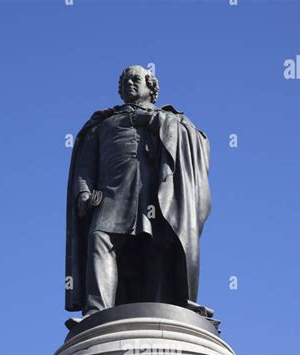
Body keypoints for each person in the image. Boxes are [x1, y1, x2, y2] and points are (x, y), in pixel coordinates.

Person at [65, 65, 211, 315]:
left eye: (135, 79)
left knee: (157, 247)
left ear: (151, 87)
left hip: (156, 196)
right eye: (124, 81)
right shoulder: (102, 125)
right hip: (111, 196)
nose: (128, 84)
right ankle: (96, 312)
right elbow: (85, 166)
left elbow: (197, 143)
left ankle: (161, 309)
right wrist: (83, 194)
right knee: (99, 238)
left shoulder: (171, 119)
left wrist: (157, 121)